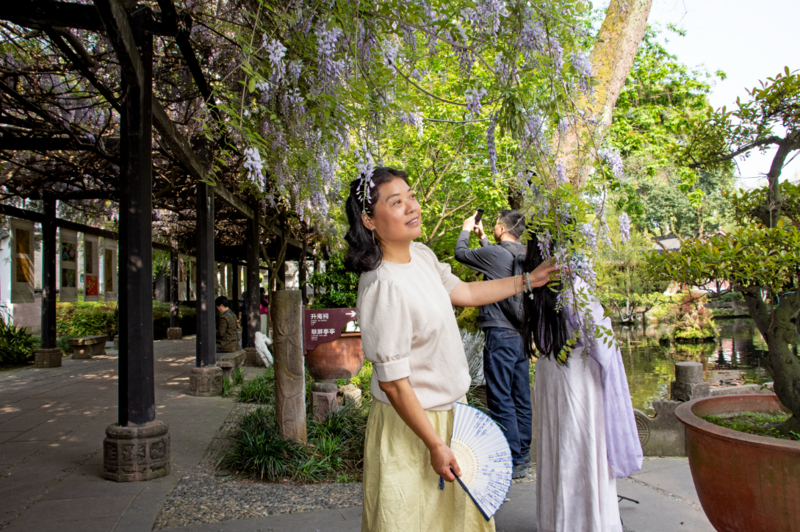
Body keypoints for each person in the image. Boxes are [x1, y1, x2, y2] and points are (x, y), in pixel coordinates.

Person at [344, 167, 556, 532]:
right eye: (397, 202)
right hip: (412, 427)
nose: (412, 206)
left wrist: (529, 280)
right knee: (411, 520)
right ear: (369, 220)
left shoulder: (422, 256)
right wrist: (434, 444)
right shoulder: (382, 285)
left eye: (411, 195)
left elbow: (467, 293)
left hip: (454, 420)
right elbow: (394, 383)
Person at [521, 232, 643, 532]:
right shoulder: (574, 286)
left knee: (558, 448)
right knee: (580, 448)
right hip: (577, 374)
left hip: (551, 370)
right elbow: (599, 342)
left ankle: (556, 521)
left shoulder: (534, 285)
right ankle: (587, 523)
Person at [454, 210, 532, 479]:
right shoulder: (523, 253)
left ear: (501, 227)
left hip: (500, 334)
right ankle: (523, 454)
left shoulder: (497, 255)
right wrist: (485, 237)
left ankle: (511, 459)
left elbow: (460, 253)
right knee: (521, 397)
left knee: (500, 397)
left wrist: (466, 228)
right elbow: (500, 265)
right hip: (522, 335)